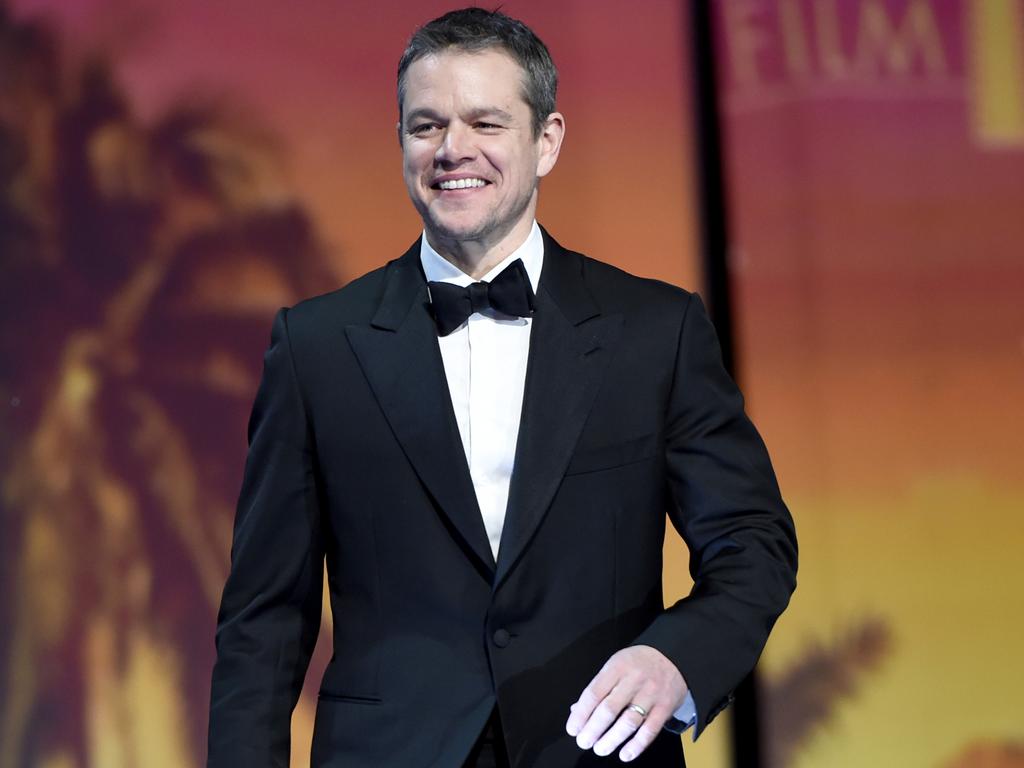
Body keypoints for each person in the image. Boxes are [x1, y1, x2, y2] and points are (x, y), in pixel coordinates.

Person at [207, 8, 797, 767]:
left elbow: (753, 545)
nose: (454, 150)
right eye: (426, 126)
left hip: (594, 752)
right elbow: (264, 619)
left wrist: (676, 659)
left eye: (486, 122)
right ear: (400, 144)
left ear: (546, 140)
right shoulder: (318, 346)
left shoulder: (656, 331)